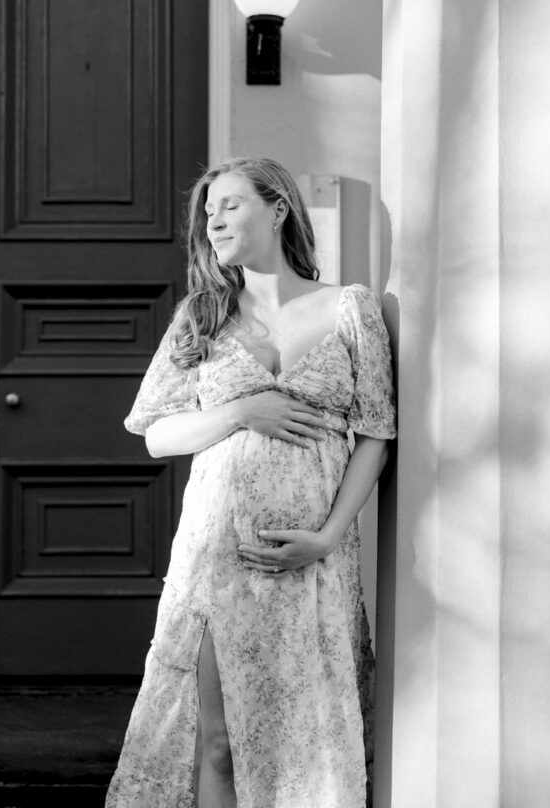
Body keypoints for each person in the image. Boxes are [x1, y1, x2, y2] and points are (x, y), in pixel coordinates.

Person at [105, 157, 396, 808]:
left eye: (229, 205)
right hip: (217, 559)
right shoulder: (200, 317)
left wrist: (325, 537)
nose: (213, 220)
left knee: (310, 742)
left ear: (278, 208)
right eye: (206, 212)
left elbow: (376, 432)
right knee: (219, 741)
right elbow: (154, 433)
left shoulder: (349, 308)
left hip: (310, 559)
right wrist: (237, 411)